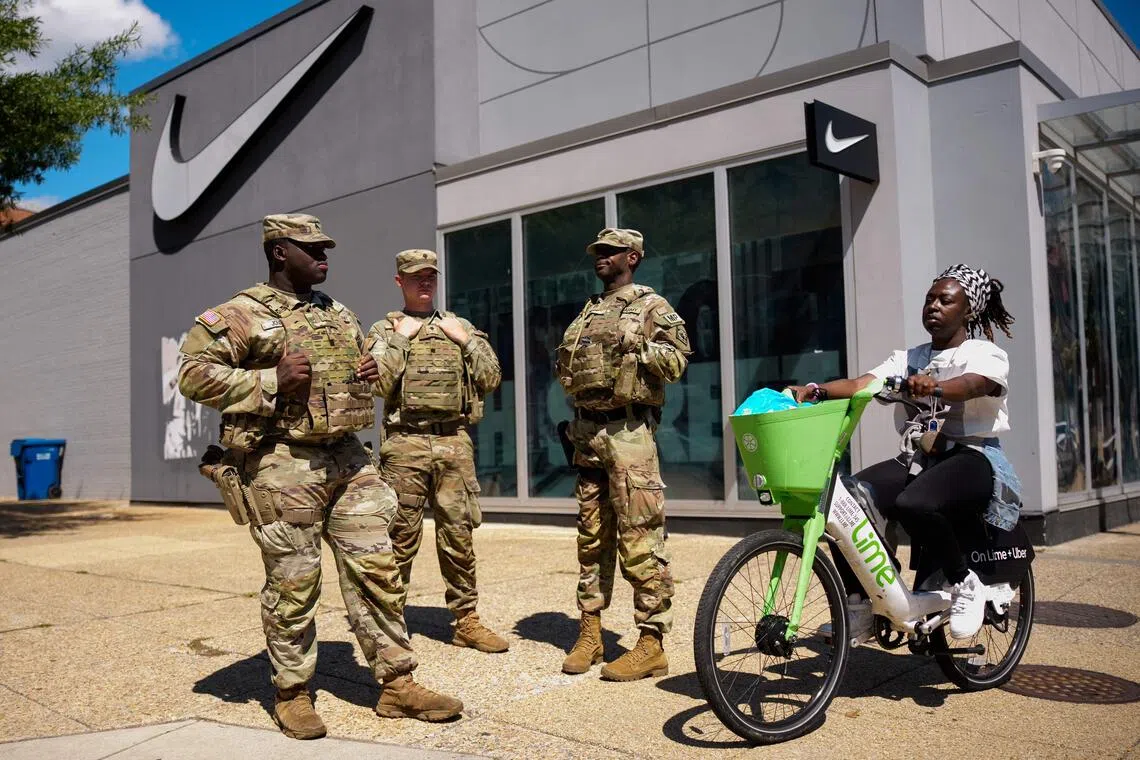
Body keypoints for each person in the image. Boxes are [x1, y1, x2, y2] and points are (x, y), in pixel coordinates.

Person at [178, 215, 462, 740]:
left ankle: (398, 684)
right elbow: (192, 374)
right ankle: (293, 693)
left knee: (378, 571)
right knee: (295, 581)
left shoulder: (338, 313)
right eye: (312, 248)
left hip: (348, 460)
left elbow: (350, 372)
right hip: (283, 464)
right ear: (280, 251)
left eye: (326, 246)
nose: (324, 255)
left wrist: (369, 374)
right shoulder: (242, 313)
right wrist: (268, 379)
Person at [790, 264, 1020, 640]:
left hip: (974, 457)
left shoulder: (985, 354)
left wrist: (936, 387)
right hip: (922, 458)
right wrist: (817, 389)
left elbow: (973, 384)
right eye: (930, 298)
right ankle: (862, 604)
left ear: (968, 311)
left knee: (916, 502)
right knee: (843, 499)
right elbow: (864, 383)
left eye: (946, 300)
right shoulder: (909, 357)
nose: (934, 306)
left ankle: (966, 584)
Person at [555, 228, 691, 680]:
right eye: (597, 251)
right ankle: (590, 632)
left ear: (631, 257)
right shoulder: (589, 311)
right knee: (591, 536)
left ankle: (651, 642)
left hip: (629, 432)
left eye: (610, 252)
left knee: (640, 536)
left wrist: (641, 347)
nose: (601, 258)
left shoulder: (653, 306)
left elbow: (677, 362)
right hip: (587, 433)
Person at [364, 249, 509, 653]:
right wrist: (401, 338)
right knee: (399, 536)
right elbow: (378, 384)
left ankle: (466, 620)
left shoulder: (458, 325)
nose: (424, 282)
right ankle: (390, 625)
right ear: (399, 282)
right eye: (415, 276)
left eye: (430, 275)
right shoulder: (384, 329)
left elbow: (492, 376)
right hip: (404, 444)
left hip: (454, 442)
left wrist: (464, 342)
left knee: (458, 534)